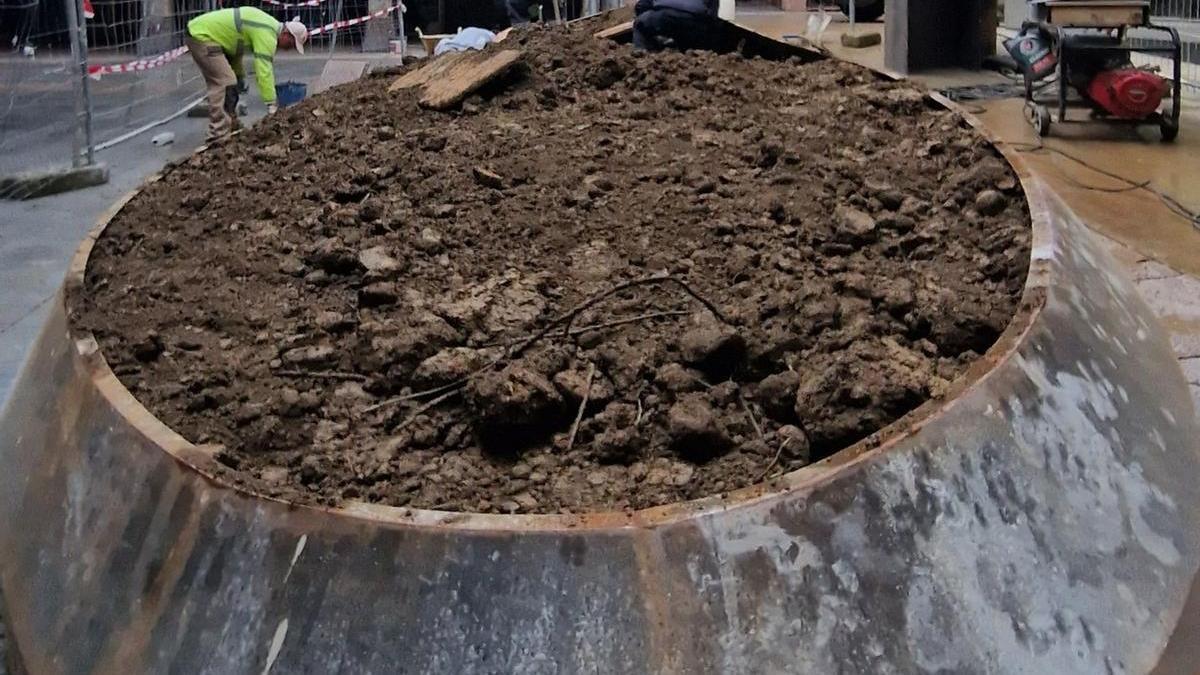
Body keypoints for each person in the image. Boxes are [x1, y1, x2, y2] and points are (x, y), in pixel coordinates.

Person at [185, 7, 308, 140]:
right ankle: (217, 135)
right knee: (224, 82)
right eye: (291, 44)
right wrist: (271, 103)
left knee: (231, 82)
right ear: (286, 34)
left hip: (209, 36)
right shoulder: (267, 34)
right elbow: (263, 71)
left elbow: (235, 48)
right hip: (202, 36)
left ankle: (231, 124)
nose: (288, 49)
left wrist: (239, 75)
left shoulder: (266, 24)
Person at [633, 0, 720, 52]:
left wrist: (640, 14)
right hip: (695, 18)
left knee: (639, 24)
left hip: (665, 16)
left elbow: (643, 5)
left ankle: (643, 60)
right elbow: (713, 9)